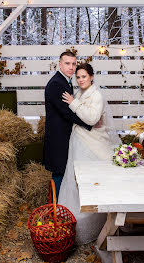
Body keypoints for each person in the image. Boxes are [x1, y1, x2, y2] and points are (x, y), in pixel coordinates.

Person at [58, 63, 121, 244]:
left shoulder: (96, 95)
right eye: (78, 77)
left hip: (93, 143)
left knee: (93, 182)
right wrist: (75, 103)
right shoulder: (79, 93)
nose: (80, 80)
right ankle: (75, 226)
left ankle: (101, 223)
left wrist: (74, 103)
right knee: (75, 180)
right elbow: (82, 117)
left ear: (91, 77)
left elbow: (93, 118)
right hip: (78, 140)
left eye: (84, 76)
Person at [43, 51, 92, 199]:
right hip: (58, 138)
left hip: (64, 136)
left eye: (73, 64)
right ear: (59, 64)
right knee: (59, 173)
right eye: (67, 63)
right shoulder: (57, 84)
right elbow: (67, 113)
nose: (71, 67)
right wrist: (89, 124)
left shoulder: (65, 81)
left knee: (63, 173)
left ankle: (59, 207)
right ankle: (55, 210)